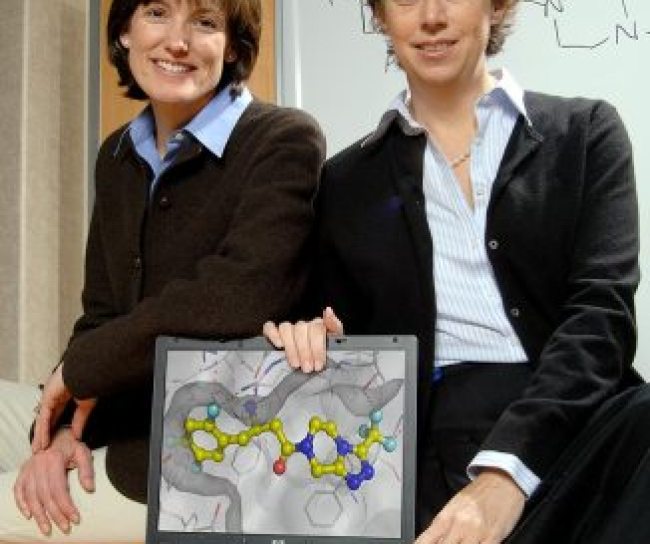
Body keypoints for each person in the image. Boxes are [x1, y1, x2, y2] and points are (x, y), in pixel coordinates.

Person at [264, 0, 650, 542]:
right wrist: (316, 338)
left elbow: (601, 319)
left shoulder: (585, 134)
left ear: (497, 5)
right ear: (381, 16)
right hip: (432, 442)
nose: (431, 17)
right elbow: (336, 335)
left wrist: (506, 471)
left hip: (578, 418)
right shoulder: (346, 182)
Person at [0, 0, 325, 541]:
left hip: (195, 449)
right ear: (125, 32)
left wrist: (80, 371)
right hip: (112, 414)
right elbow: (100, 314)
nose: (178, 40)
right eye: (156, 13)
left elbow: (240, 294)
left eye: (205, 22)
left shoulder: (284, 139)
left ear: (232, 46)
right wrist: (57, 434)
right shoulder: (117, 155)